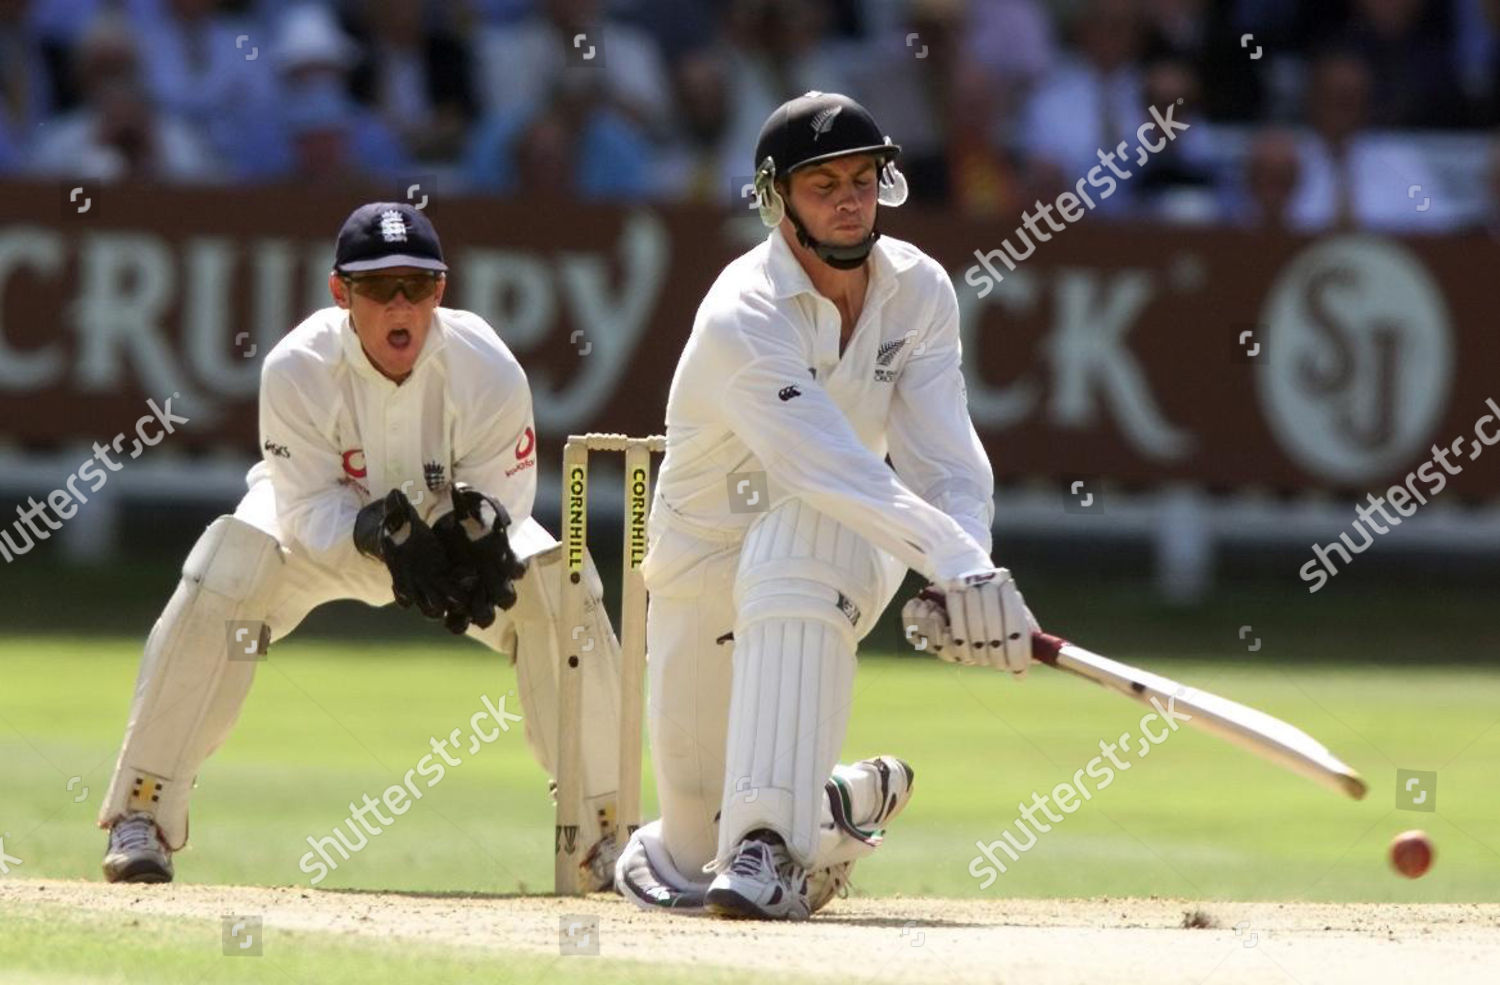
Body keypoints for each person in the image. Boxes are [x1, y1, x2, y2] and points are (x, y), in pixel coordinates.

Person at [98, 203, 624, 892]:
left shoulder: (487, 365)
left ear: (442, 289)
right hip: (331, 531)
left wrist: (475, 540)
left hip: (445, 539)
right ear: (340, 293)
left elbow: (508, 497)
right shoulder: (298, 366)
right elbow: (305, 504)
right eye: (379, 288)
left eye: (418, 285)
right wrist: (374, 534)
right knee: (228, 565)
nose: (400, 303)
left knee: (563, 584)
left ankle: (605, 831)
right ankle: (144, 813)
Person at [614, 92, 1037, 921]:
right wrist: (952, 559)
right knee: (691, 854)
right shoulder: (745, 312)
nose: (849, 199)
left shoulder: (918, 291)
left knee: (797, 537)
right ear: (778, 201)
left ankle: (770, 841)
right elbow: (829, 464)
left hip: (842, 545)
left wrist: (973, 576)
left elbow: (945, 458)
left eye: (862, 178)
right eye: (823, 185)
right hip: (702, 562)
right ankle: (830, 808)